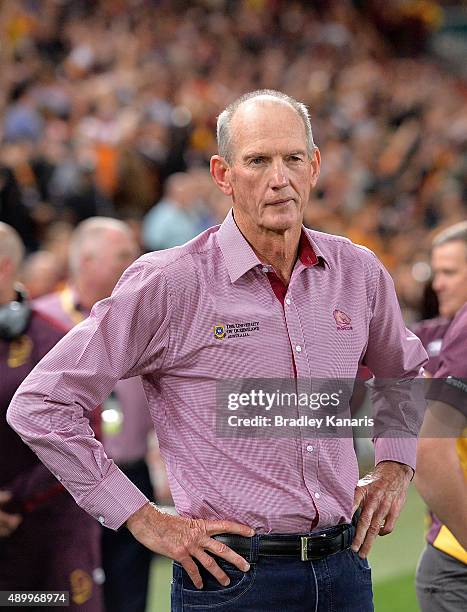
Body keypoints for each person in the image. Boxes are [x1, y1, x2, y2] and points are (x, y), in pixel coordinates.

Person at [7, 90, 428, 611]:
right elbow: (40, 403)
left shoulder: (358, 271)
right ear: (223, 175)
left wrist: (393, 466)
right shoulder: (170, 282)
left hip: (344, 570)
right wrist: (139, 515)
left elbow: (404, 370)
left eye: (293, 158)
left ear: (314, 165)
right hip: (232, 581)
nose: (280, 178)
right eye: (257, 161)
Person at [33, 217, 156, 612]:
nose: (134, 262)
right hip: (59, 481)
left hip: (131, 474)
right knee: (59, 593)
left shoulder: (150, 318)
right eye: (122, 255)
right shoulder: (40, 322)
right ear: (86, 261)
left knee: (129, 592)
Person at [0, 222, 103, 611]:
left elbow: (85, 435)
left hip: (48, 536)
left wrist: (14, 501)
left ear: (4, 267)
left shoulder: (52, 340)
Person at [414, 223, 467, 611]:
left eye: (450, 272)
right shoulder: (437, 336)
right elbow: (430, 449)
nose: (438, 285)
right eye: (438, 273)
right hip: (457, 556)